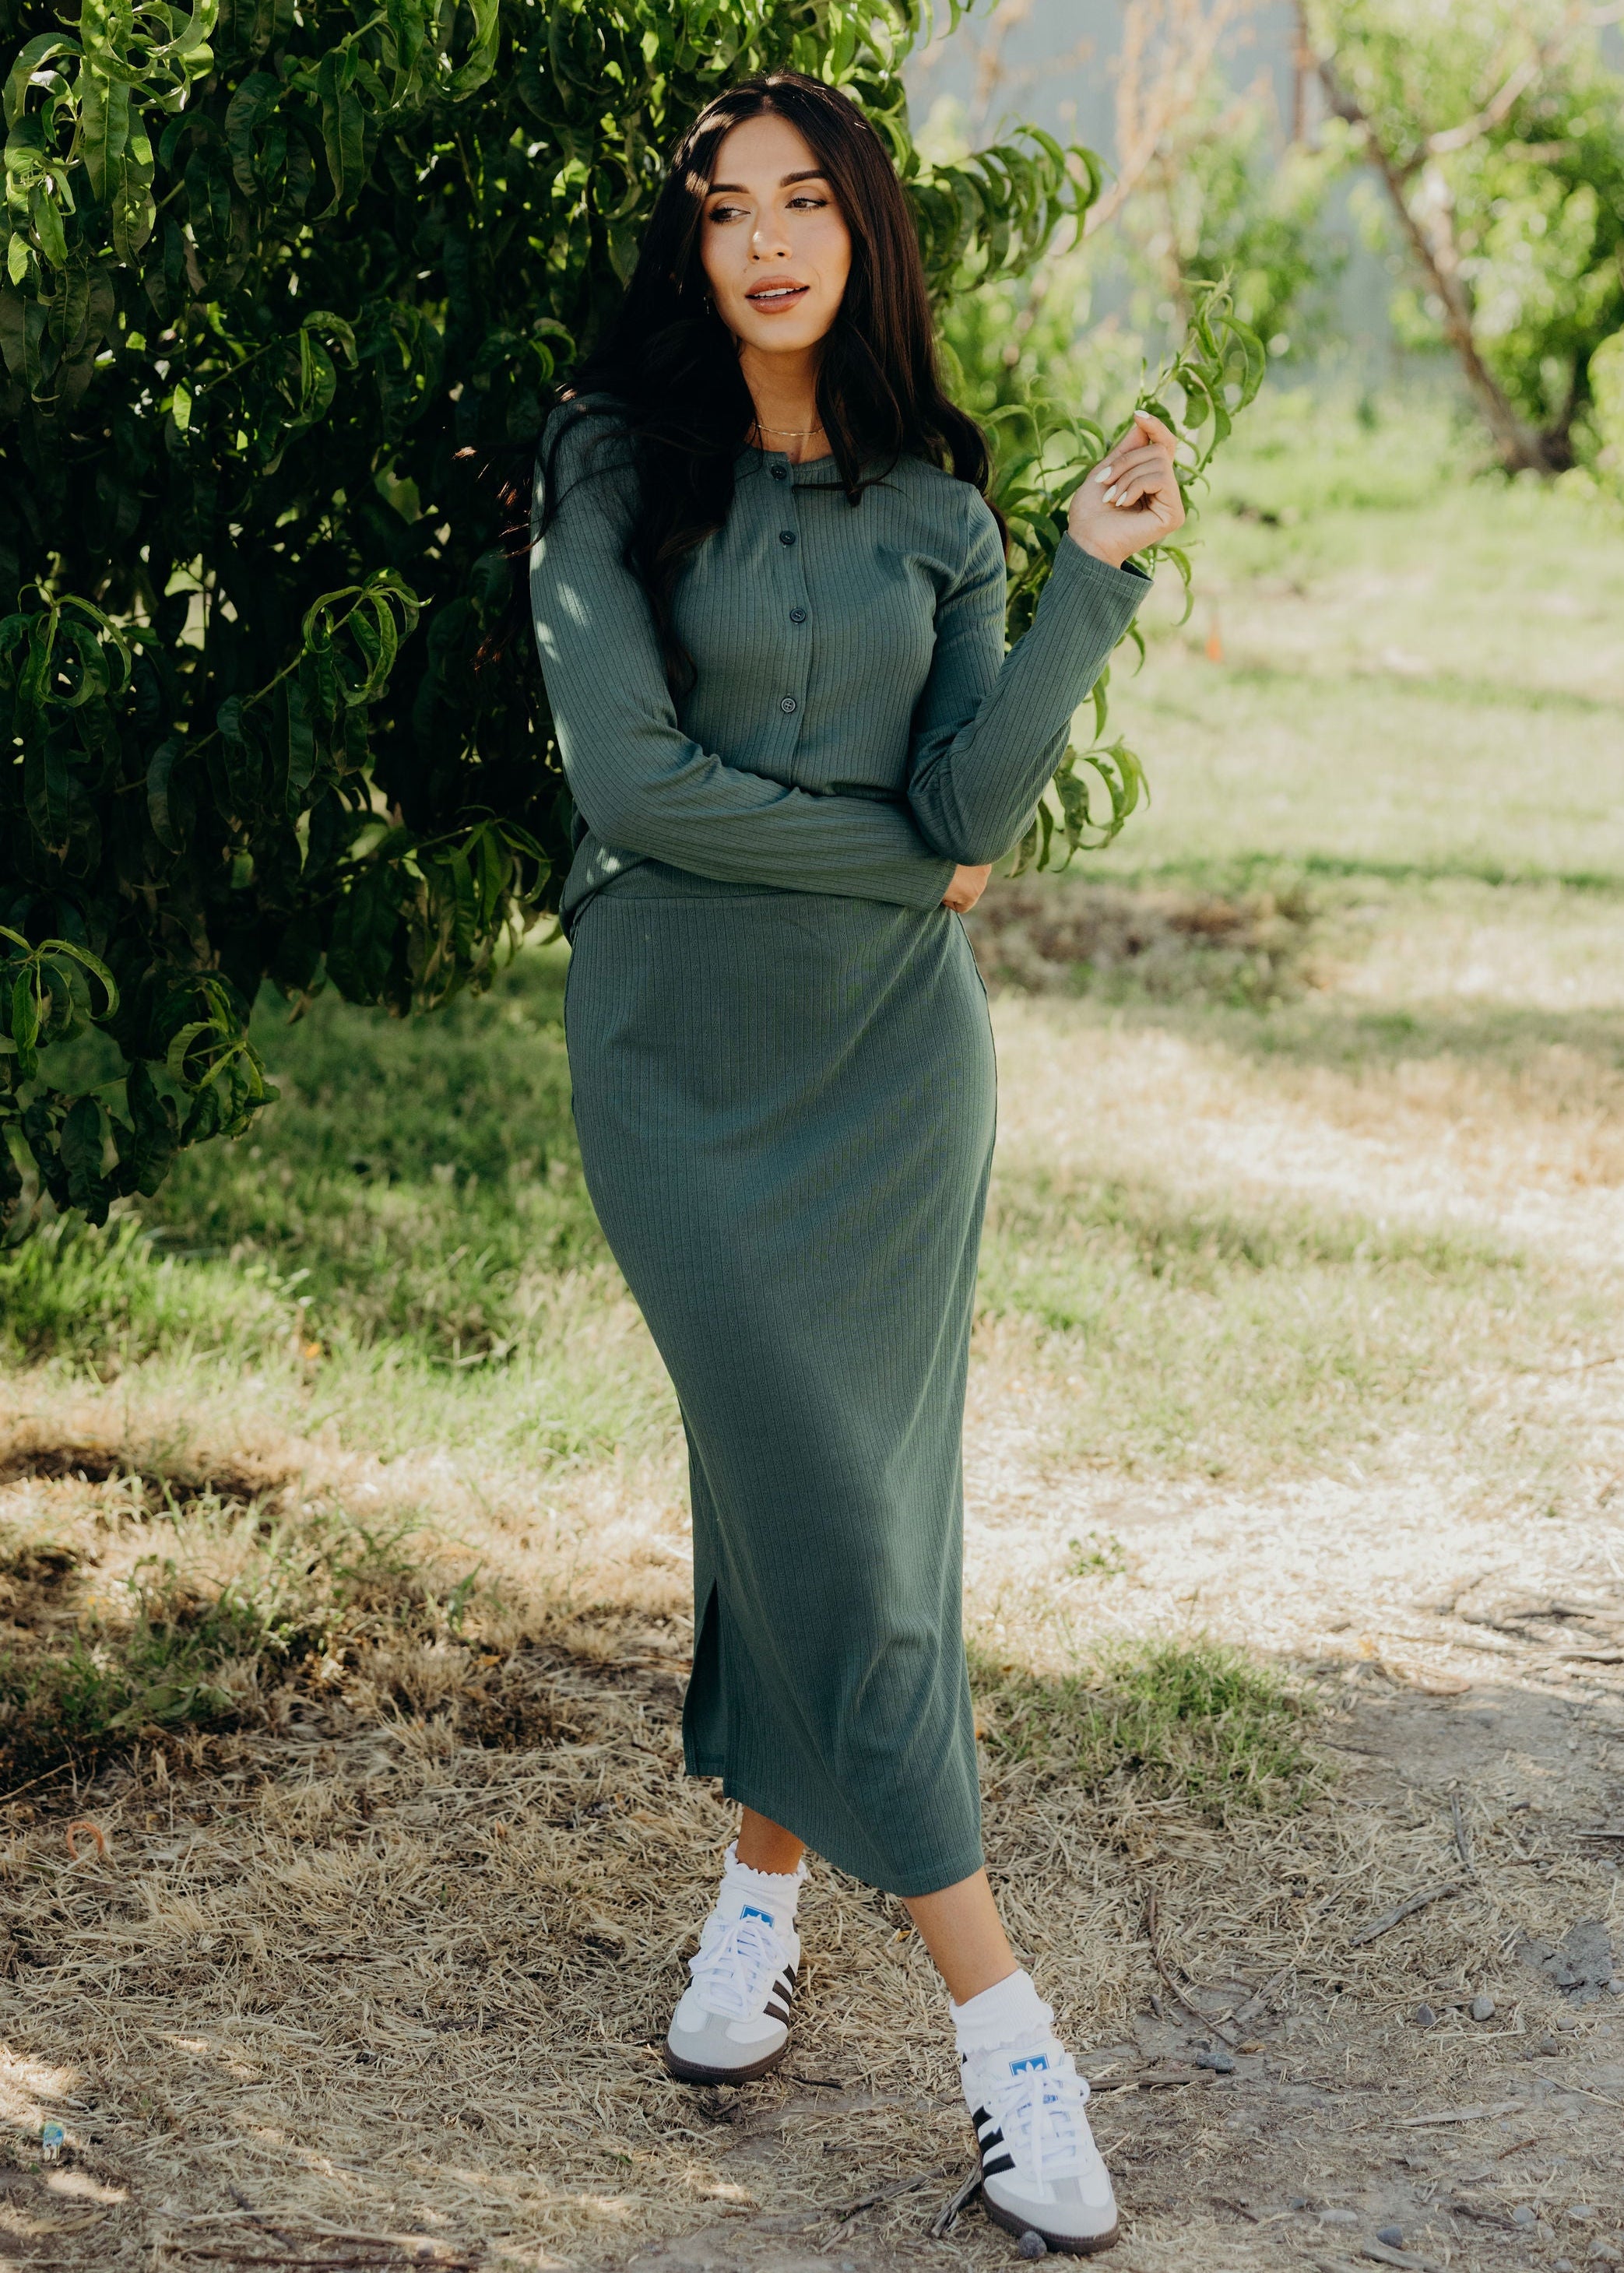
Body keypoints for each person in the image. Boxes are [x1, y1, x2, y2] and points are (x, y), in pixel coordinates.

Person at [529, 68, 1182, 2257]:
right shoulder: (613, 459)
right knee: (823, 1498)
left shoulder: (940, 506)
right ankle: (1011, 2035)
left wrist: (1088, 577)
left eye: (807, 202)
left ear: (865, 234)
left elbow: (978, 806)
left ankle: (756, 1893)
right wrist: (893, 877)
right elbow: (629, 785)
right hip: (678, 1063)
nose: (769, 241)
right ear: (692, 248)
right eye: (727, 211)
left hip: (896, 1090)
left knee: (829, 1502)